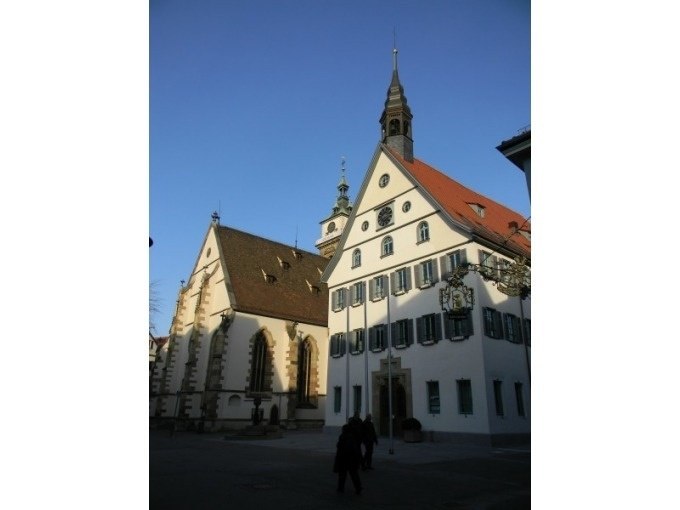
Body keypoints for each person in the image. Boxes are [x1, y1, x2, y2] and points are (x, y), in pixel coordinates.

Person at [333, 424, 363, 495]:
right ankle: (358, 487)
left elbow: (342, 447)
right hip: (350, 459)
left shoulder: (345, 437)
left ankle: (341, 488)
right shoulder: (351, 437)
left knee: (344, 474)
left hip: (345, 459)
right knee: (353, 474)